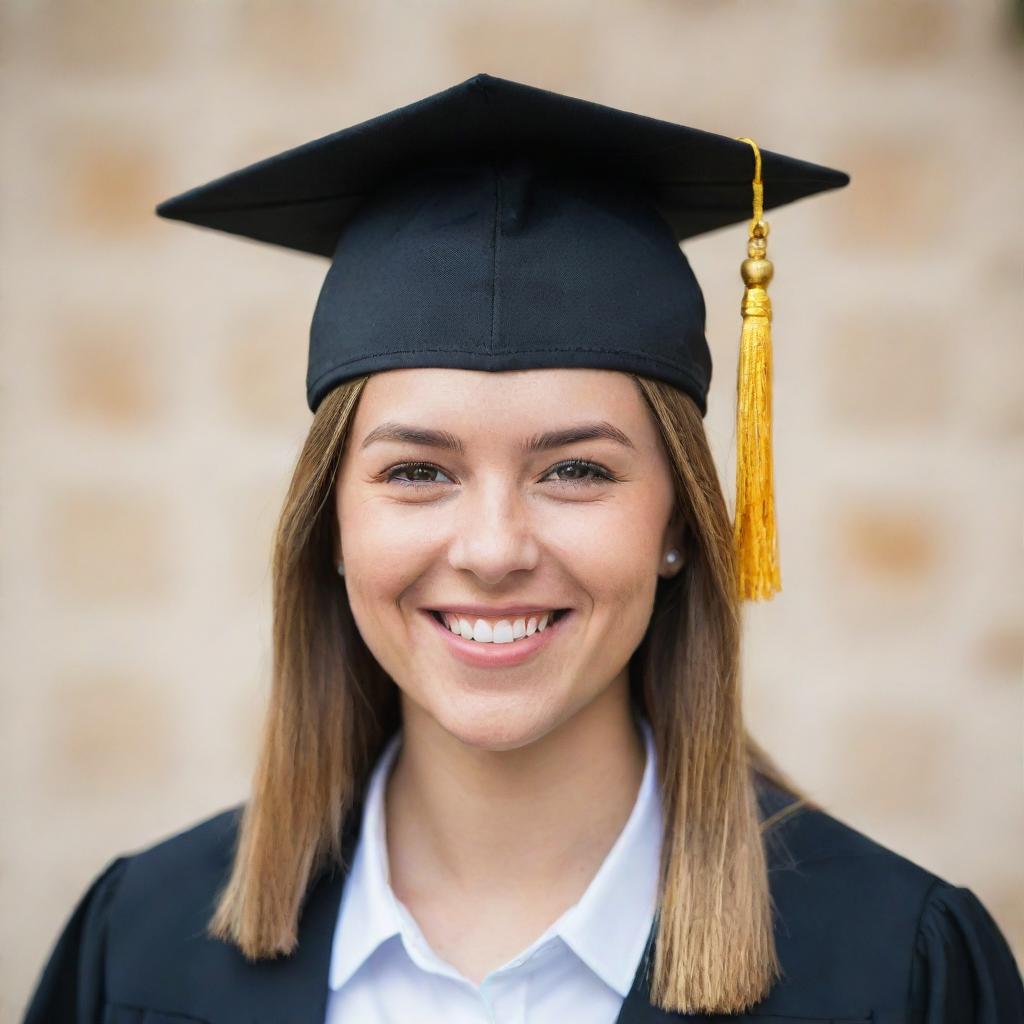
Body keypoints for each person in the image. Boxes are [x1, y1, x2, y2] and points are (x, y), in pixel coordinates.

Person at [22, 72, 1024, 1024]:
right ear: (332, 519)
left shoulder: (896, 967)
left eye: (576, 470)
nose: (493, 547)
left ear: (679, 521)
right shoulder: (142, 948)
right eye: (417, 471)